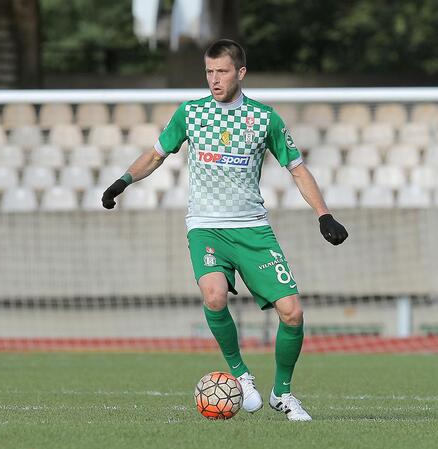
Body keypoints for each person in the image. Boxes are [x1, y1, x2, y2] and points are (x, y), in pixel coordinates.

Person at [101, 39, 348, 421]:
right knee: (214, 296)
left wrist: (324, 215)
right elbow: (155, 155)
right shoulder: (191, 113)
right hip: (206, 227)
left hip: (253, 230)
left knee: (293, 313)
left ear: (240, 73)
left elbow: (297, 169)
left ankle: (282, 393)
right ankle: (241, 374)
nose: (214, 80)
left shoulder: (265, 119)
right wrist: (121, 182)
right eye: (209, 72)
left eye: (222, 71)